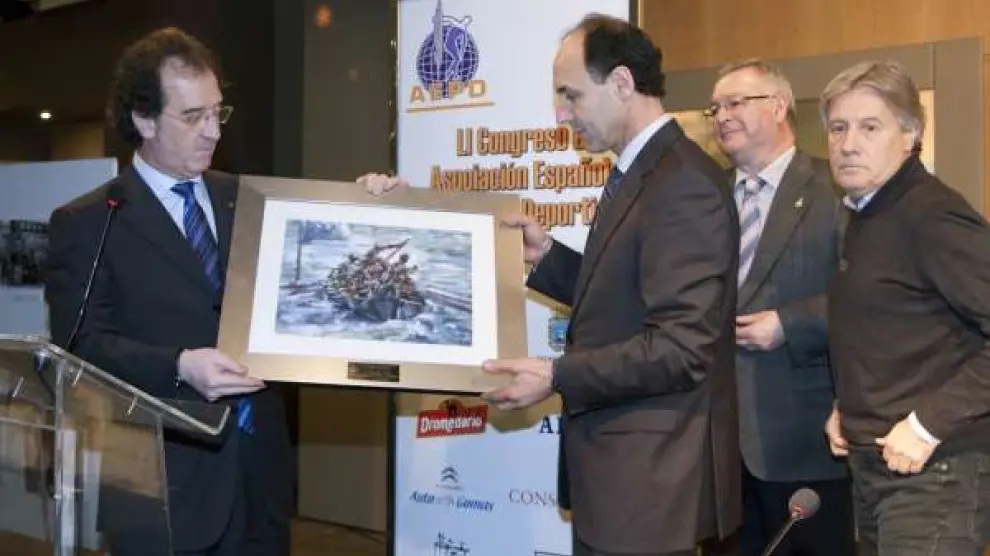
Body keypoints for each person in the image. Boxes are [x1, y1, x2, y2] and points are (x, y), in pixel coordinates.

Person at [362, 14, 741, 556]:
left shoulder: (681, 182)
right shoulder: (646, 171)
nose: (561, 114)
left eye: (571, 95)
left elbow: (682, 348)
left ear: (622, 83)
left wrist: (557, 373)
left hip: (649, 487)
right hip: (622, 480)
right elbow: (625, 298)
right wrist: (547, 257)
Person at [44, 27, 293, 556]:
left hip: (259, 475)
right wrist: (179, 365)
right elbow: (81, 345)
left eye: (218, 113)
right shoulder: (90, 221)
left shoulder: (247, 200)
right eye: (193, 116)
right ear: (144, 119)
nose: (213, 132)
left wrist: (375, 204)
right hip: (162, 486)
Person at [822, 60, 990, 555]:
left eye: (870, 127)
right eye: (838, 128)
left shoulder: (933, 215)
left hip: (937, 473)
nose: (848, 143)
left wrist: (927, 424)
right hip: (875, 469)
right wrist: (847, 406)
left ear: (911, 135)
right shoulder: (864, 212)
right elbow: (893, 325)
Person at [706, 60, 854, 556]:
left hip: (806, 447)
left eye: (735, 103)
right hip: (719, 453)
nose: (721, 116)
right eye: (714, 108)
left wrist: (791, 324)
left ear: (778, 106)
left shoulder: (835, 188)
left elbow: (872, 296)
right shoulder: (704, 195)